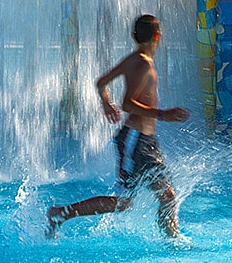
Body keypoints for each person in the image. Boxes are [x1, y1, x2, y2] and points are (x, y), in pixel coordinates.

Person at [46, 14, 190, 238]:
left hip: (146, 141)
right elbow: (127, 104)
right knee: (124, 202)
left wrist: (105, 102)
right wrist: (163, 114)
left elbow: (101, 83)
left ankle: (173, 240)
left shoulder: (134, 59)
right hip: (134, 140)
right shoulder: (141, 64)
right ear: (157, 36)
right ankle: (60, 214)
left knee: (167, 195)